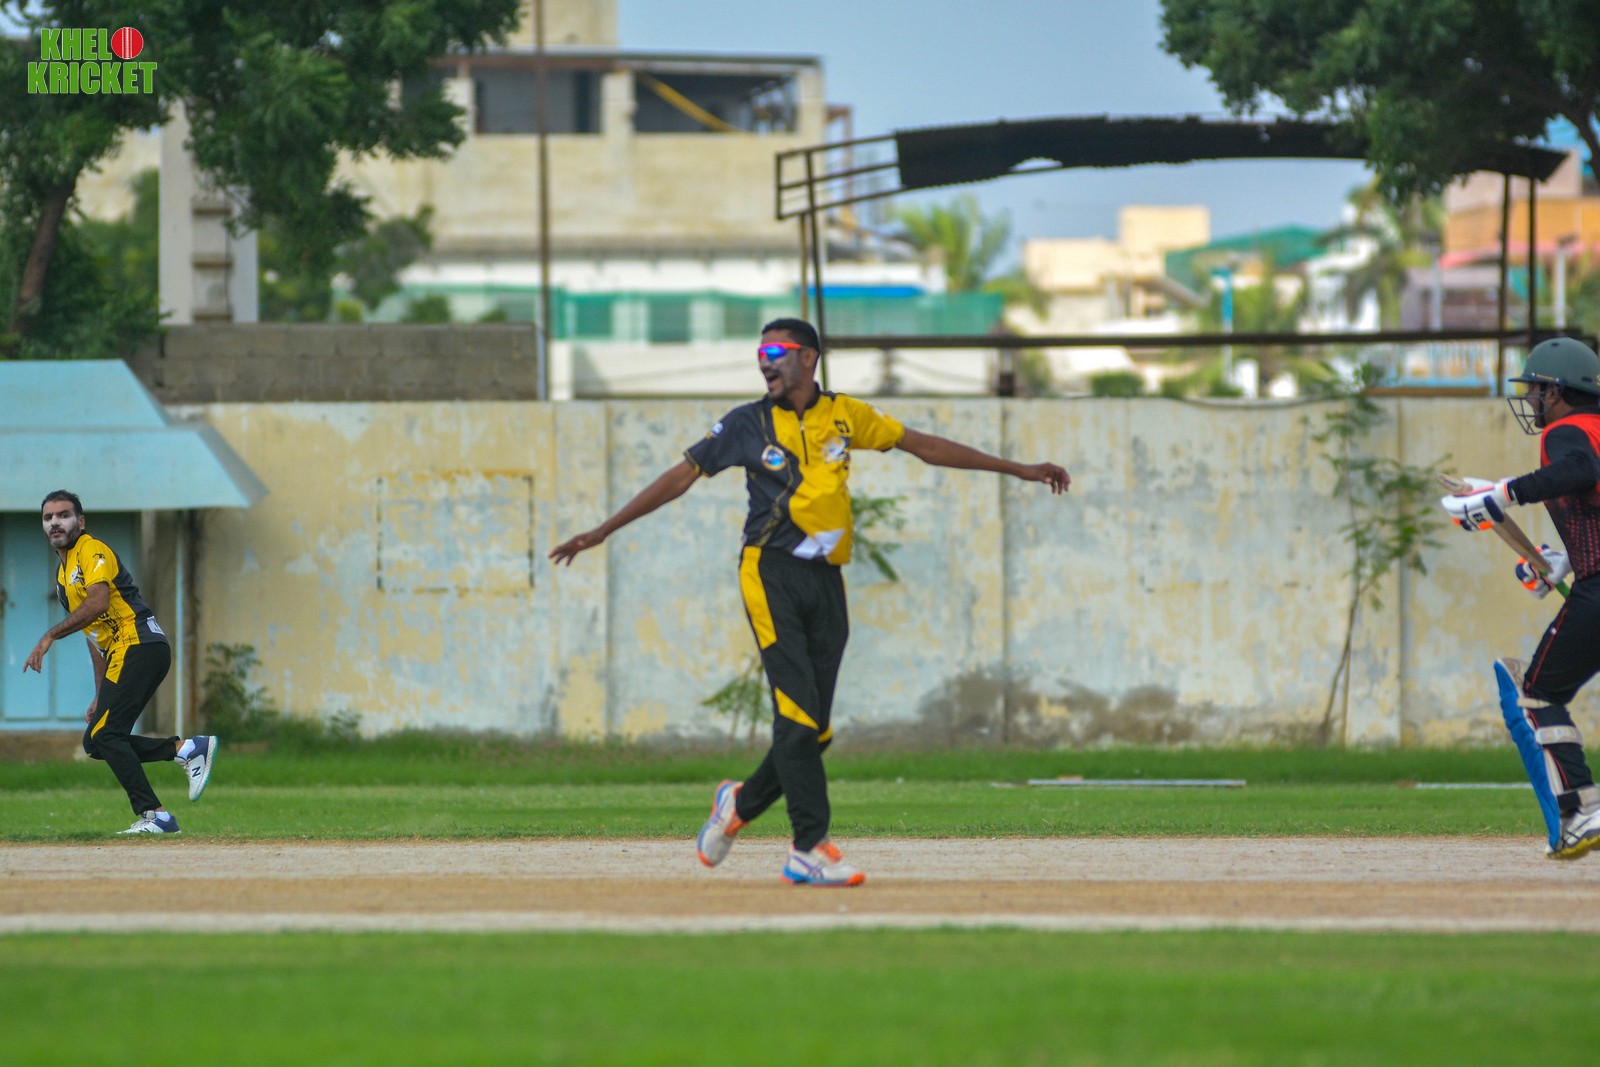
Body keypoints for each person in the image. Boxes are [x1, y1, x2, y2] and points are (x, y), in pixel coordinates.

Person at [549, 318, 1070, 886]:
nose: (764, 360)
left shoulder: (846, 415)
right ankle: (808, 847)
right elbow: (681, 475)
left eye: (776, 350)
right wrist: (601, 531)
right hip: (769, 572)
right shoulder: (747, 423)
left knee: (814, 730)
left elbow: (925, 446)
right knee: (796, 717)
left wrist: (1019, 469)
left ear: (808, 358)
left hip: (826, 580)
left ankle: (740, 803)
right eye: (759, 352)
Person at [1440, 336, 1600, 860]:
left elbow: (1579, 471)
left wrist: (1501, 493)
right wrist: (1563, 561)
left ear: (1557, 391)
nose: (1531, 400)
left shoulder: (1568, 431)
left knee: (1538, 694)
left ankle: (1582, 809)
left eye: (1536, 390)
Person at [23, 490, 218, 835]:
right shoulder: (63, 577)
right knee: (96, 742)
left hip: (140, 644)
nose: (55, 522)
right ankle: (186, 749)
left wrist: (50, 635)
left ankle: (156, 815)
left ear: (81, 521)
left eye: (64, 515)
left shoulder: (91, 549)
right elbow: (94, 636)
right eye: (48, 517)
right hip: (121, 653)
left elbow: (98, 603)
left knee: (106, 734)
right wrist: (100, 695)